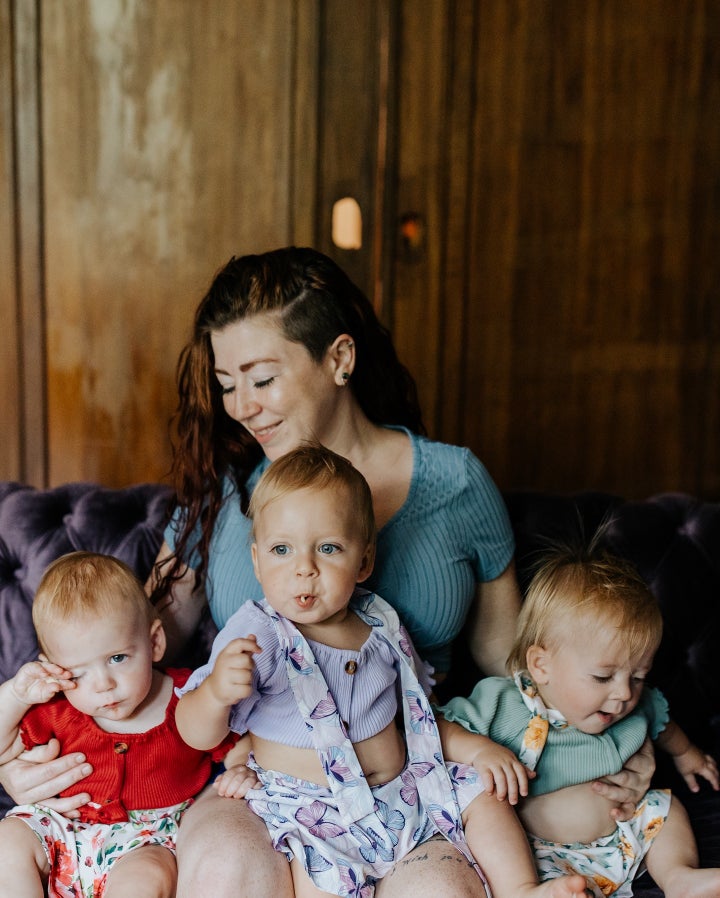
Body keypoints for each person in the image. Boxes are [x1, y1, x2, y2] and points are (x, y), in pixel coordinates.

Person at [0, 247, 655, 897]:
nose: (241, 407)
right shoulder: (227, 495)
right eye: (228, 385)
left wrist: (612, 740)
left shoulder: (455, 485)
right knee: (227, 870)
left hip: (406, 783)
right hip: (262, 789)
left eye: (261, 378)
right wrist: (17, 760)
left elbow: (516, 663)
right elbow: (125, 646)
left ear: (339, 359)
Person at [175, 443, 588, 898]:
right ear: (257, 561)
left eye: (328, 548)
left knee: (485, 798)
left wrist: (478, 751)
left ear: (364, 561)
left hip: (402, 794)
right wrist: (214, 694)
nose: (304, 569)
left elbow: (418, 719)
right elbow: (195, 733)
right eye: (281, 550)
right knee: (320, 881)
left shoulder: (380, 623)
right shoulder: (260, 635)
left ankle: (523, 889)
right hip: (312, 814)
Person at [438, 545, 720, 898]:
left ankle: (679, 877)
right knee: (512, 856)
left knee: (667, 809)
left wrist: (687, 755)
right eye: (603, 677)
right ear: (542, 666)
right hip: (541, 853)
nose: (623, 694)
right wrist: (480, 751)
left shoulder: (636, 704)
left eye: (637, 676)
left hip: (622, 837)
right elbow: (436, 727)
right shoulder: (504, 703)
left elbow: (661, 722)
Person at [0, 552, 236, 898]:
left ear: (154, 642)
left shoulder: (189, 697)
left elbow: (233, 736)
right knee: (8, 841)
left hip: (145, 841)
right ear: (53, 667)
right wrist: (17, 695)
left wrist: (241, 766)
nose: (103, 684)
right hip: (62, 827)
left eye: (117, 658)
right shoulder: (56, 706)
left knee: (147, 877)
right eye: (78, 673)